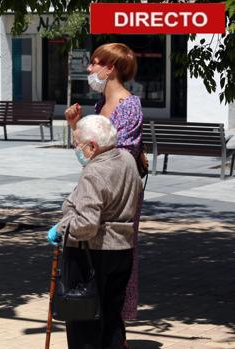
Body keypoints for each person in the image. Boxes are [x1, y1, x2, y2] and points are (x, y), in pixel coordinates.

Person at [64, 42, 144, 335]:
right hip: (98, 189)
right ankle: (102, 326)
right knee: (94, 261)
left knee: (113, 265)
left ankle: (113, 329)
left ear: (111, 68)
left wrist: (85, 140)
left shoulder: (129, 105)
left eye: (95, 62)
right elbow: (91, 153)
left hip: (117, 194)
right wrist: (76, 126)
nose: (90, 68)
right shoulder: (100, 106)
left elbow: (113, 158)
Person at [47, 114, 142, 349]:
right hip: (122, 249)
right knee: (111, 318)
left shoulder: (94, 171)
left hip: (93, 253)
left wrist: (61, 228)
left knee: (84, 320)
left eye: (77, 144)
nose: (75, 148)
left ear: (92, 146)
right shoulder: (128, 159)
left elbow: (87, 225)